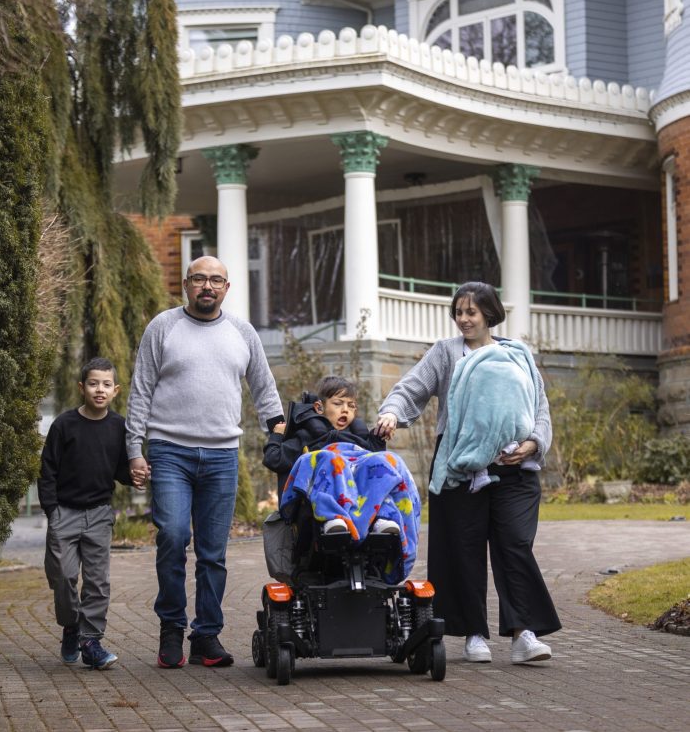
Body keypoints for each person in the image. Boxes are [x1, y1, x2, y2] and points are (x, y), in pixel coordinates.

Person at [375, 281, 561, 664]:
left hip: (514, 466)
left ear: (489, 313)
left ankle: (523, 633)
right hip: (460, 465)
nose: (463, 319)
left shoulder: (516, 354)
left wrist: (534, 444)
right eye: (458, 312)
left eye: (471, 312)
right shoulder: (446, 353)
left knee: (515, 544)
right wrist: (392, 412)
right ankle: (474, 633)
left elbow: (539, 406)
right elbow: (411, 389)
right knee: (464, 549)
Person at [126, 256, 284, 669]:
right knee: (174, 537)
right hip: (169, 451)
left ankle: (207, 636)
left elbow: (264, 386)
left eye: (215, 280)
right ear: (185, 284)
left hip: (221, 456)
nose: (207, 286)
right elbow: (140, 390)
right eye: (199, 279)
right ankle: (172, 630)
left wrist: (281, 432)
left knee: (213, 552)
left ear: (227, 288)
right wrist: (133, 448)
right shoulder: (162, 327)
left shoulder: (241, 331)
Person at [39, 357, 137, 670]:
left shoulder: (120, 427)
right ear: (82, 387)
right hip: (64, 514)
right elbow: (47, 471)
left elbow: (122, 469)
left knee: (97, 583)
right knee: (64, 577)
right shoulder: (64, 425)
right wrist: (52, 511)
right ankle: (71, 626)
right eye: (93, 383)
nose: (100, 389)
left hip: (98, 515)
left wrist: (135, 474)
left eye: (106, 384)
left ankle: (90, 640)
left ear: (116, 390)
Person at [262, 375, 392, 532]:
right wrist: (277, 435)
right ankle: (333, 517)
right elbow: (274, 459)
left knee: (384, 462)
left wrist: (379, 437)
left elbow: (376, 466)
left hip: (360, 500)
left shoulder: (360, 439)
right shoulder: (306, 437)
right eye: (338, 404)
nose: (345, 410)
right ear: (319, 407)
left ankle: (382, 518)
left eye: (351, 406)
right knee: (329, 457)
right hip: (316, 507)